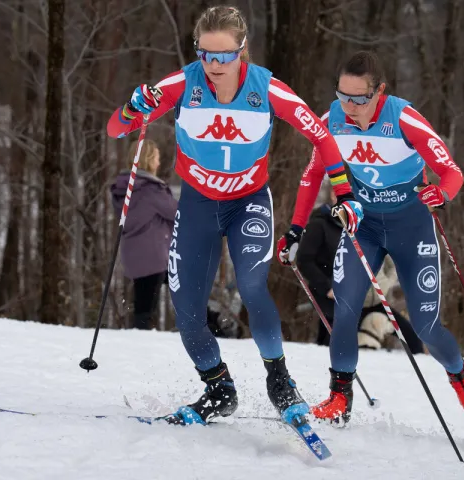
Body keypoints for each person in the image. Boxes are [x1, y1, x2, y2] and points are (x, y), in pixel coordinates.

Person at [106, 5, 361, 425]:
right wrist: (134, 108)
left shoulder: (268, 89)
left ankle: (280, 380)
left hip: (248, 203)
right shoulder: (181, 84)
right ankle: (218, 388)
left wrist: (345, 191)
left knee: (252, 284)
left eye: (224, 55)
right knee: (186, 307)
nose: (213, 64)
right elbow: (118, 128)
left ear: (243, 51)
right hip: (199, 204)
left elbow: (322, 135)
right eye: (204, 53)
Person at [278, 51, 464, 444]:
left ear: (380, 92)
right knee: (344, 307)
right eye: (342, 95)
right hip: (365, 227)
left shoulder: (404, 118)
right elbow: (311, 176)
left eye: (359, 98)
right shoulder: (332, 120)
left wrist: (440, 194)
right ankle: (339, 398)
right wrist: (295, 229)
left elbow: (452, 172)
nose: (350, 106)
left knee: (426, 326)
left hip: (411, 228)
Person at [296, 186, 424, 353]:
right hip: (335, 298)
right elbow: (304, 261)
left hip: (368, 299)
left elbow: (385, 258)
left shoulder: (364, 225)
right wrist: (327, 286)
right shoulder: (320, 224)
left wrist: (387, 281)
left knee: (412, 339)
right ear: (335, 195)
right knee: (334, 343)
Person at [110, 139, 177, 330]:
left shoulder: (125, 190)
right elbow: (177, 212)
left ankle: (211, 321)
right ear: (148, 160)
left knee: (151, 297)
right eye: (156, 158)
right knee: (146, 308)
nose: (158, 163)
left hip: (135, 255)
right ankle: (140, 340)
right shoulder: (150, 190)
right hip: (154, 256)